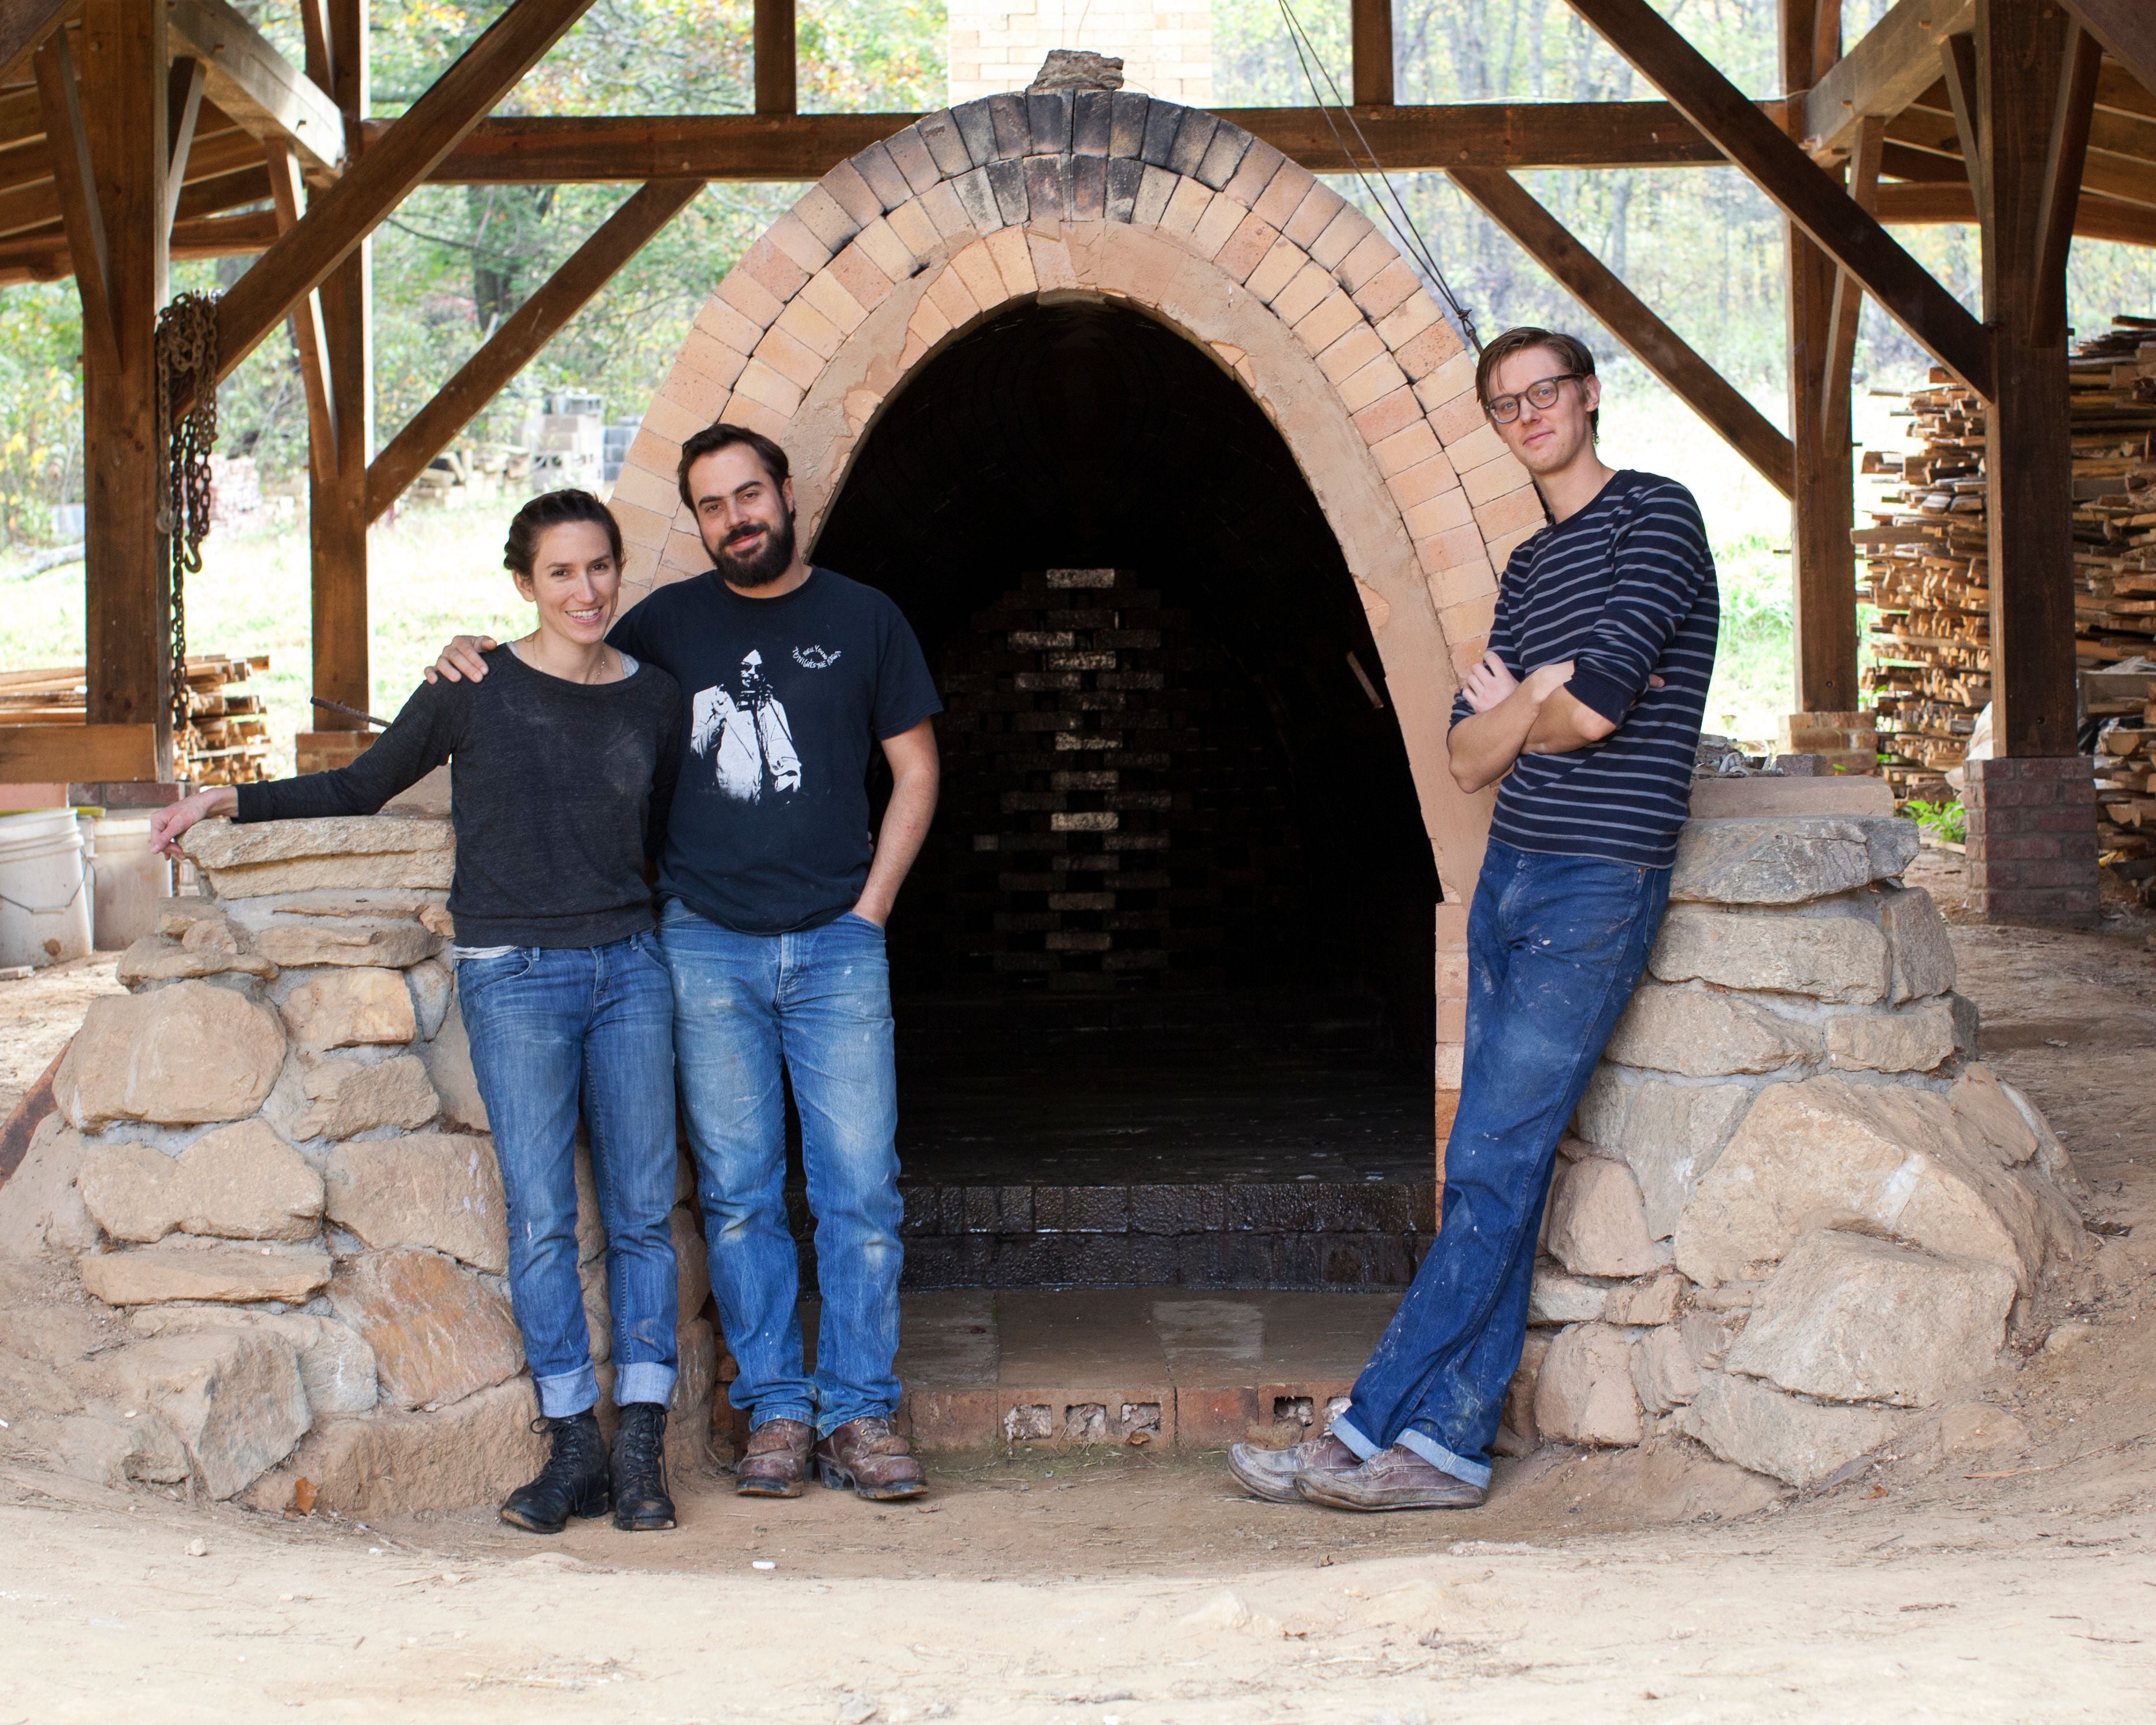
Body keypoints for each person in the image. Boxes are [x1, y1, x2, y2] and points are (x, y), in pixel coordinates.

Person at [1227, 328, 1719, 1512]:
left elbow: (1595, 712)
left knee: (1493, 1161)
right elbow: (1462, 756)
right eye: (1506, 404)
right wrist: (1543, 693)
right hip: (1512, 874)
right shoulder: (1532, 565)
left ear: (1589, 396)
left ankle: (1364, 1425)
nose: (1529, 414)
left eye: (1546, 391)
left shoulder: (1656, 516)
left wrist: (1539, 698)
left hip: (1598, 879)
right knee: (1496, 1166)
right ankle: (1446, 1445)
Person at [152, 491, 687, 1536]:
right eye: (561, 572)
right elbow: (363, 784)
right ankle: (571, 1444)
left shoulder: (655, 698)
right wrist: (234, 799)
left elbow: (664, 838)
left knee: (638, 1215)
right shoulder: (472, 686)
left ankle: (640, 1448)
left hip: (631, 971)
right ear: (523, 584)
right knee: (541, 1215)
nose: (585, 590)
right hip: (513, 975)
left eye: (600, 567)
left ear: (619, 570)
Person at [430, 422, 943, 1503]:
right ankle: (777, 1409)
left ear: (786, 492)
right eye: (712, 506)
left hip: (838, 948)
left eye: (749, 495)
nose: (735, 519)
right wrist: (469, 655)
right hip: (705, 945)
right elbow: (569, 663)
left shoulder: (865, 617)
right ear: (698, 521)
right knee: (742, 1194)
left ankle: (860, 1410)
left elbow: (915, 767)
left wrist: (873, 911)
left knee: (860, 1189)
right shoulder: (665, 626)